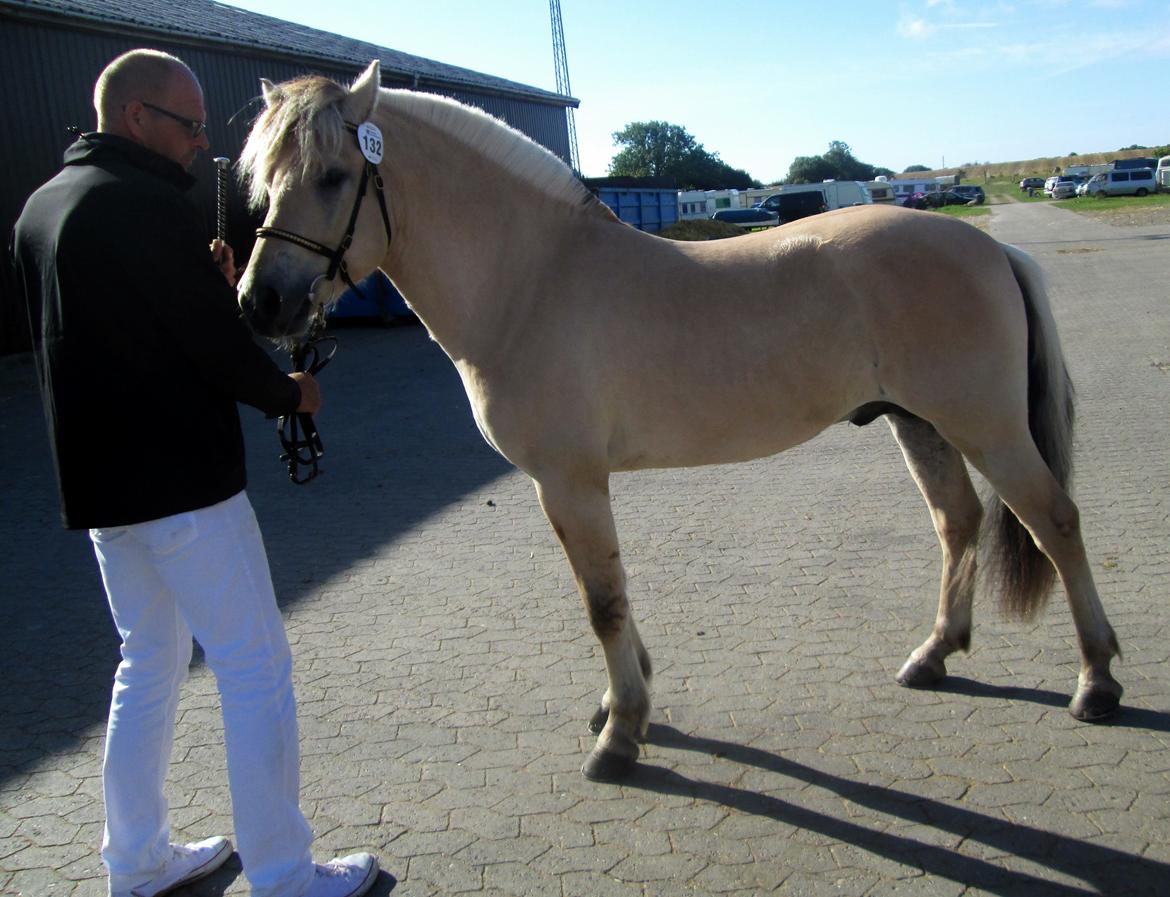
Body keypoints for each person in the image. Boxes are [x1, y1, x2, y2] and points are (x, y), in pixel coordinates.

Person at [11, 49, 380, 897]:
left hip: (102, 493)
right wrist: (289, 392)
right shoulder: (145, 208)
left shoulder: (42, 209)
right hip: (185, 487)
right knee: (256, 666)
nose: (200, 143)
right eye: (189, 124)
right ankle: (286, 874)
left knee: (146, 660)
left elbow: (115, 331)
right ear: (138, 117)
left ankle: (136, 860)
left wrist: (204, 285)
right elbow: (210, 349)